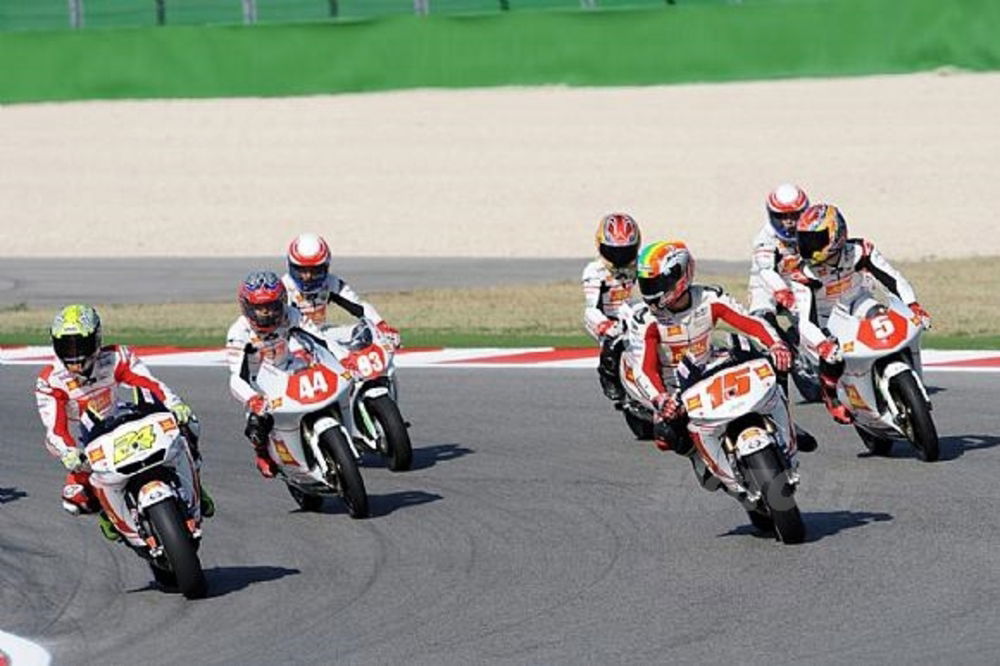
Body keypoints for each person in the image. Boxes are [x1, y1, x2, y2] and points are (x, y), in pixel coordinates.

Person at [623, 241, 801, 495]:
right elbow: (645, 368)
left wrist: (776, 345)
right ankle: (698, 455)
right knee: (665, 432)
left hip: (711, 368)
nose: (651, 292)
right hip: (675, 387)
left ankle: (781, 421)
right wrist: (660, 398)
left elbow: (750, 322)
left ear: (680, 275)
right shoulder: (646, 319)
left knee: (776, 363)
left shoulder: (710, 298)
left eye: (656, 283)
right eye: (646, 284)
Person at [34, 304, 211, 541]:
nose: (74, 355)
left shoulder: (115, 357)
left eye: (81, 344)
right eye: (66, 346)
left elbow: (150, 383)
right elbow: (54, 427)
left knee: (188, 422)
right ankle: (109, 514)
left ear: (96, 340)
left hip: (121, 422)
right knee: (74, 500)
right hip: (86, 444)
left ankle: (195, 480)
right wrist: (69, 452)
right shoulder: (50, 381)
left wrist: (174, 403)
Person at [782, 203, 931, 425]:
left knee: (885, 319)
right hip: (828, 320)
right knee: (834, 357)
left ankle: (909, 377)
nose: (808, 247)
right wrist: (822, 344)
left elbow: (893, 278)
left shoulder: (860, 251)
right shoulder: (803, 274)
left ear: (835, 234)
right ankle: (831, 397)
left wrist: (913, 305)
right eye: (804, 240)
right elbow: (805, 321)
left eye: (815, 239)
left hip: (860, 303)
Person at [226, 270, 327, 478]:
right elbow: (236, 377)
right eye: (260, 308)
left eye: (272, 306)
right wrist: (252, 398)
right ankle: (263, 454)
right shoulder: (238, 333)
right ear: (247, 307)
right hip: (262, 383)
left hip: (292, 367)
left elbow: (319, 339)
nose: (267, 313)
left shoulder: (292, 314)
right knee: (256, 423)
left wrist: (321, 356)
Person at [282, 233, 400, 349]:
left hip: (321, 334)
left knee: (364, 331)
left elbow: (359, 307)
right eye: (302, 270)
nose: (308, 277)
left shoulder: (331, 283)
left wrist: (382, 327)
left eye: (315, 271)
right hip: (292, 341)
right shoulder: (283, 288)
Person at [582, 213, 642, 402]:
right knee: (613, 341)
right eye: (614, 251)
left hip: (638, 317)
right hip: (609, 320)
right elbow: (591, 307)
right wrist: (605, 325)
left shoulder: (642, 265)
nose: (619, 257)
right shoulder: (595, 271)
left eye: (625, 251)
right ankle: (609, 377)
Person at [747, 183, 810, 324]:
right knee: (761, 320)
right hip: (767, 287)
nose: (789, 222)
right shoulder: (764, 238)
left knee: (811, 323)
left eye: (794, 215)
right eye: (782, 216)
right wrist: (782, 291)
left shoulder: (811, 231)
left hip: (799, 285)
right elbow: (765, 271)